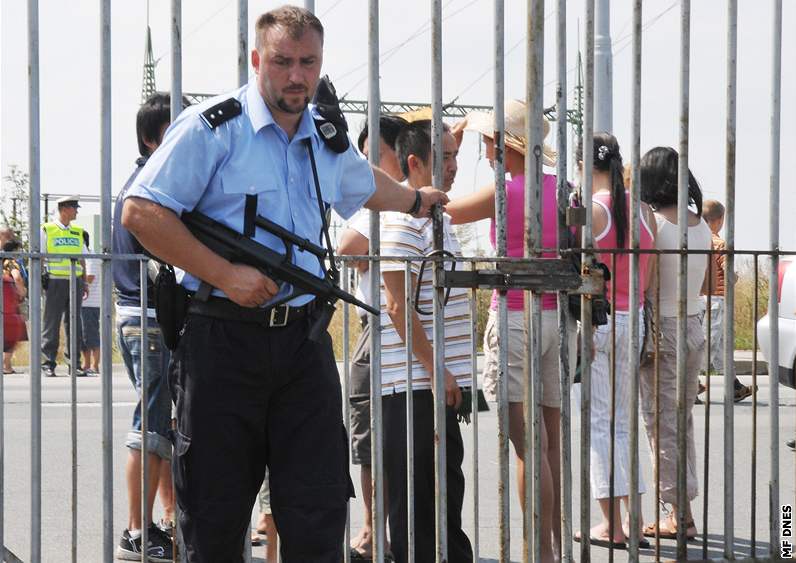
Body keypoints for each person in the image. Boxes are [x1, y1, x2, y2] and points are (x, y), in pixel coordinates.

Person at [120, 7, 448, 562]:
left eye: (308, 62)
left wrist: (417, 200)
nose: (297, 75)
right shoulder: (213, 129)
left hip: (302, 344)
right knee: (215, 516)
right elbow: (141, 212)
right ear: (256, 60)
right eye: (282, 61)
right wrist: (224, 273)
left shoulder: (322, 136)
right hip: (222, 342)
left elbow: (362, 183)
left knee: (317, 510)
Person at [446, 99, 572, 561]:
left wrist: (450, 143)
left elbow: (442, 209)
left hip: (514, 315)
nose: (484, 150)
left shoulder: (503, 192)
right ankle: (554, 547)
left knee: (525, 445)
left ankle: (535, 551)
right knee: (551, 442)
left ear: (504, 144)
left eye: (487, 140)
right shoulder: (563, 189)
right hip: (555, 316)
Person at [378, 119, 472, 563]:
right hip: (412, 386)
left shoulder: (437, 217)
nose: (454, 166)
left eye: (456, 155)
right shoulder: (400, 220)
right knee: (418, 512)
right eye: (446, 157)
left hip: (434, 383)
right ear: (415, 164)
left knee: (442, 501)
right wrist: (437, 369)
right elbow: (397, 307)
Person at [575, 133, 655, 549]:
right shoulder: (643, 213)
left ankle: (613, 526)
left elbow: (586, 273)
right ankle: (637, 521)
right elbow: (652, 273)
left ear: (585, 167)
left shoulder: (595, 212)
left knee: (599, 426)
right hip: (635, 318)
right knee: (625, 424)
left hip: (601, 321)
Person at [337, 113, 407, 561]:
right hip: (397, 326)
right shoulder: (416, 203)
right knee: (385, 437)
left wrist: (366, 254)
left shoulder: (382, 204)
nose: (366, 164)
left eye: (374, 155)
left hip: (383, 326)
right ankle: (380, 529)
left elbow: (346, 249)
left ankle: (373, 532)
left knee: (374, 436)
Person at [113, 93, 179, 562]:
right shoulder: (151, 188)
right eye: (174, 132)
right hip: (149, 318)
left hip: (143, 317)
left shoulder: (143, 181)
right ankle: (138, 531)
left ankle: (165, 520)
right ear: (150, 138)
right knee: (151, 428)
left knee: (161, 425)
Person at [639, 146, 711, 539]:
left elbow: (646, 280)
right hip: (694, 325)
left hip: (662, 329)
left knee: (660, 423)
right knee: (680, 420)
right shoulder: (699, 223)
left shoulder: (654, 222)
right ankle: (682, 506)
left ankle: (677, 513)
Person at [697, 199, 754, 403]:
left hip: (699, 298)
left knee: (720, 346)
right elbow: (729, 275)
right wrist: (736, 277)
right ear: (719, 220)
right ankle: (689, 381)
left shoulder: (696, 240)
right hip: (717, 299)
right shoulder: (720, 244)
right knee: (709, 343)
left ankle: (734, 386)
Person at [41, 195, 88, 377]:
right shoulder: (47, 229)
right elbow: (42, 256)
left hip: (74, 281)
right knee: (51, 323)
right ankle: (48, 363)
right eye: (74, 207)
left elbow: (83, 258)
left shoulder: (78, 231)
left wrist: (83, 281)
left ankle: (74, 364)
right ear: (64, 209)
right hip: (55, 281)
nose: (76, 211)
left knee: (74, 323)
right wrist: (41, 278)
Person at [3, 237, 28, 373]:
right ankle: (6, 365)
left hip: (3, 302)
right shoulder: (12, 262)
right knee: (12, 335)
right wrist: (22, 291)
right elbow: (17, 277)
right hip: (10, 302)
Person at [80, 231, 100, 376]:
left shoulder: (90, 257)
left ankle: (94, 365)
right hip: (83, 303)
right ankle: (86, 364)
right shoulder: (84, 257)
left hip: (90, 303)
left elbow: (90, 278)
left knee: (91, 335)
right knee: (83, 336)